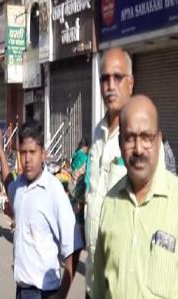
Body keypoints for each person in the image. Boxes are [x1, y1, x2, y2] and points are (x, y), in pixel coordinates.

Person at [93, 95, 178, 298]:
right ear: (121, 143)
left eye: (146, 137)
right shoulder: (110, 204)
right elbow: (99, 289)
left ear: (158, 140)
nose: (138, 149)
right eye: (130, 138)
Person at [0, 121, 83, 299]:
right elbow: (8, 182)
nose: (27, 159)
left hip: (44, 292)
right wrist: (0, 151)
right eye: (23, 153)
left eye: (32, 152)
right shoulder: (19, 186)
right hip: (21, 290)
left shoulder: (53, 190)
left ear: (43, 154)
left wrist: (62, 295)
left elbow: (74, 246)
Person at [84, 48, 134, 298]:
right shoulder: (97, 132)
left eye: (118, 77)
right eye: (105, 78)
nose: (110, 86)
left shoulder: (143, 139)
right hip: (93, 280)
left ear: (131, 84)